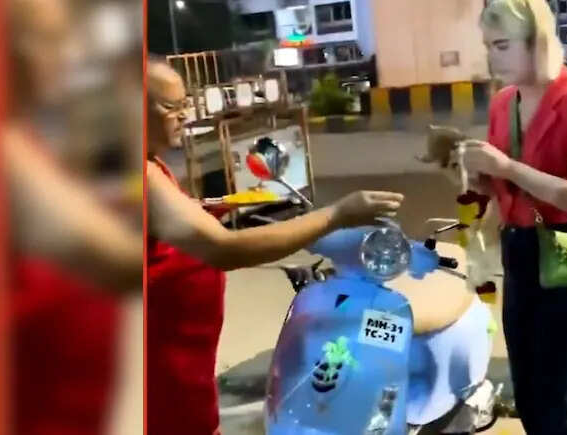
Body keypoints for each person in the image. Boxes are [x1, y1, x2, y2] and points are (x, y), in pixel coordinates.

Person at [146, 61, 404, 435]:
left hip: (184, 372)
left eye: (186, 103)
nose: (184, 115)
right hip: (160, 382)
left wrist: (205, 208)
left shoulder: (152, 166)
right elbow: (225, 249)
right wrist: (338, 214)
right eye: (171, 107)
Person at [457, 1, 567, 433]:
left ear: (538, 43)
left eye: (502, 46)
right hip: (519, 254)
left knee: (556, 409)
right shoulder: (503, 104)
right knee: (530, 400)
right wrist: (478, 178)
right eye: (488, 46)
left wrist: (508, 168)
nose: (492, 58)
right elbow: (503, 188)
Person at [5, 0, 143, 433]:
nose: (58, 55)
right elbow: (119, 260)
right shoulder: (10, 156)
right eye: (43, 40)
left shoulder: (29, 139)